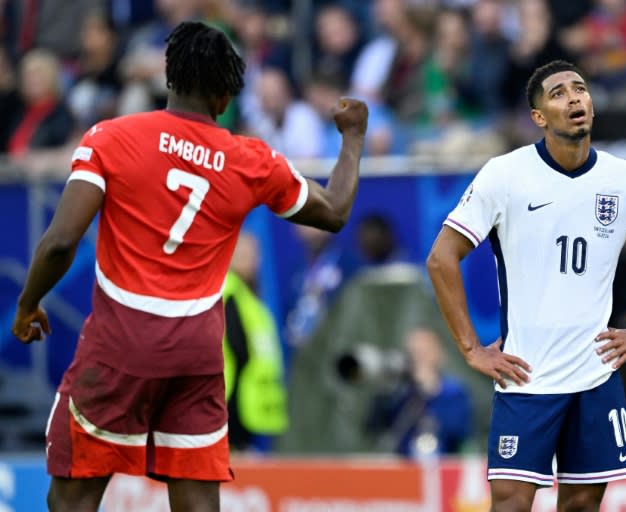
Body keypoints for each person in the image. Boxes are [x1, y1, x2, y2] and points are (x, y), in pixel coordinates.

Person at [11, 21, 367, 512]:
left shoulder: (111, 137)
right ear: (225, 96)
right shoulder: (250, 160)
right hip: (196, 354)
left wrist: (28, 303)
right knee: (198, 502)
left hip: (120, 344)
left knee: (74, 496)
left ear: (170, 78)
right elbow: (334, 209)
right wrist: (352, 136)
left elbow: (59, 243)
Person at [426, 59, 626, 511]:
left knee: (583, 506)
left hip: (594, 376)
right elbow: (441, 258)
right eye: (559, 93)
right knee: (510, 505)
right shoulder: (505, 175)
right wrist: (471, 348)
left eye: (580, 89)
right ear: (538, 117)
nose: (574, 98)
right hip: (526, 376)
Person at [222, 232, 287, 453]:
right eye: (241, 253)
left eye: (252, 253)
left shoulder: (248, 295)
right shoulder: (228, 291)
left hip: (251, 404)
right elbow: (237, 347)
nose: (249, 259)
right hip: (233, 400)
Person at [365, 327, 472, 458]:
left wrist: (430, 390)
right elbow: (374, 429)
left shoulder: (453, 392)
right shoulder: (399, 392)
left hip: (442, 465)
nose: (418, 359)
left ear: (439, 354)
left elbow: (458, 431)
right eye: (413, 353)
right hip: (402, 464)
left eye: (424, 353)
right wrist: (385, 389)